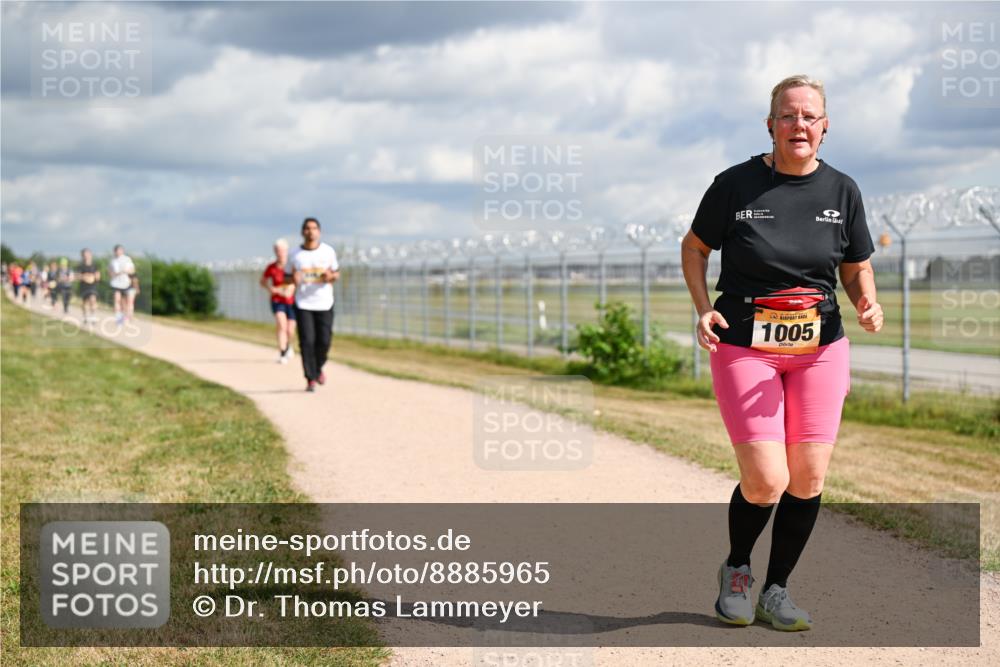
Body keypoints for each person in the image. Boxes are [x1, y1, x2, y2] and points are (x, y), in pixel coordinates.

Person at [681, 75, 883, 632]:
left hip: (820, 347)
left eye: (809, 116)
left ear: (825, 127)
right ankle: (738, 570)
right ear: (770, 126)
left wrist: (866, 301)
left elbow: (856, 266)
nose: (799, 125)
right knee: (767, 479)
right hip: (746, 345)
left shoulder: (843, 190)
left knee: (808, 477)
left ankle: (777, 591)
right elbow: (695, 248)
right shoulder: (735, 185)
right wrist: (703, 307)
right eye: (788, 116)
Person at [290, 217, 339, 392]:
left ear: (319, 231)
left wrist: (330, 277)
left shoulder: (328, 251)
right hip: (303, 304)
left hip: (324, 303)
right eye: (307, 228)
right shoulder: (295, 254)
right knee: (307, 342)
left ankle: (318, 368)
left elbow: (336, 273)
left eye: (314, 228)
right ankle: (310, 377)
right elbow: (286, 276)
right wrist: (293, 279)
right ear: (302, 232)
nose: (310, 231)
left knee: (324, 341)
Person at [260, 238, 297, 364]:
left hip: (291, 301)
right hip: (277, 301)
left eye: (282, 250)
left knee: (290, 330)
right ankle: (282, 352)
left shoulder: (291, 266)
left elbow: (296, 280)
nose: (279, 253)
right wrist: (271, 289)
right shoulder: (271, 267)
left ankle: (289, 345)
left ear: (286, 251)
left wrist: (290, 289)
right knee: (282, 325)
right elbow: (263, 281)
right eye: (277, 250)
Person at [109, 244, 135, 325]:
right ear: (114, 251)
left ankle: (127, 317)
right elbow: (110, 272)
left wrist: (125, 271)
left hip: (126, 283)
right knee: (117, 300)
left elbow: (132, 271)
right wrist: (115, 274)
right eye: (117, 250)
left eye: (120, 250)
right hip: (116, 283)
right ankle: (119, 319)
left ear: (123, 251)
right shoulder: (113, 260)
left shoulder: (127, 259)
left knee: (126, 302)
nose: (118, 252)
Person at [77, 249, 101, 323]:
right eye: (85, 255)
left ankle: (93, 315)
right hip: (84, 286)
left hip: (92, 286)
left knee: (93, 299)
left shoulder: (95, 265)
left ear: (90, 255)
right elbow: (78, 276)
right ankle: (85, 317)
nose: (86, 256)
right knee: (84, 302)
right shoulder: (80, 266)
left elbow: (98, 276)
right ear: (82, 256)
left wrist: (95, 277)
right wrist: (85, 276)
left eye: (88, 254)